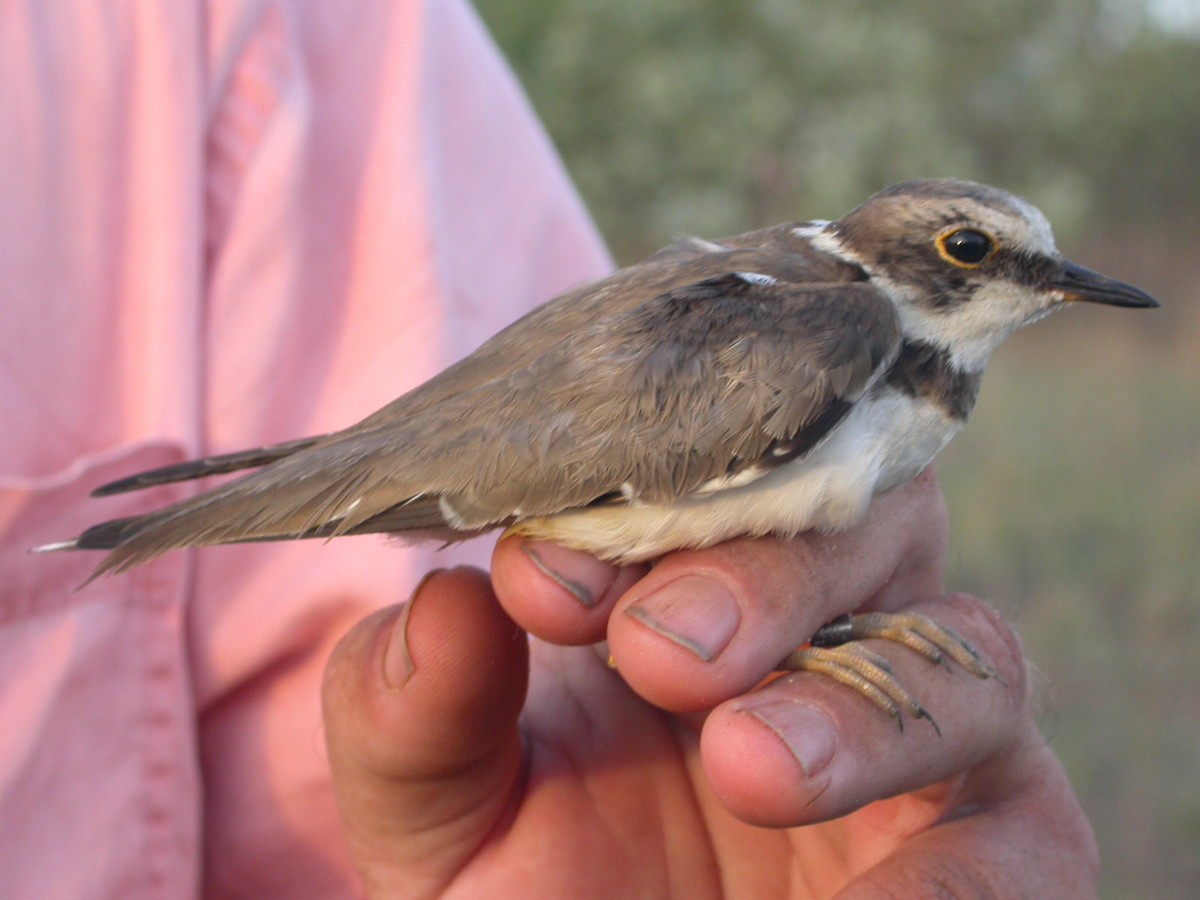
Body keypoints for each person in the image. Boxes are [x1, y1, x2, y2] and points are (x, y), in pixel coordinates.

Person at [0, 1, 1095, 896]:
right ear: (895, 256)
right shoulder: (838, 327)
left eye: (1035, 267)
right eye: (976, 254)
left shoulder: (286, 32)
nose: (1036, 289)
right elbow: (517, 453)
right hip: (480, 472)